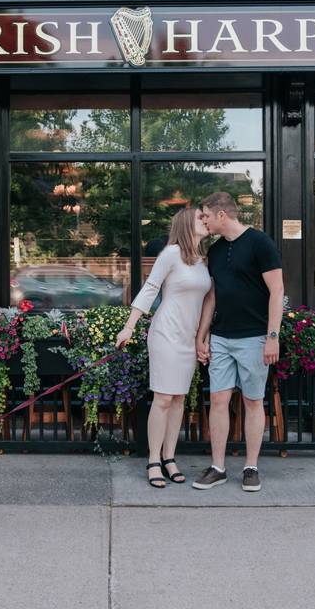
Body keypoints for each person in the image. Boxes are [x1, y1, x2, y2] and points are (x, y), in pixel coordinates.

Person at [193, 192, 283, 492]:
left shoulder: (261, 243)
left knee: (253, 401)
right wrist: (202, 335)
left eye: (206, 214)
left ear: (221, 215)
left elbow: (276, 291)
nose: (203, 220)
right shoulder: (216, 251)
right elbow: (212, 296)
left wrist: (272, 337)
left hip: (255, 338)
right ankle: (218, 467)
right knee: (218, 399)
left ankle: (250, 466)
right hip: (221, 337)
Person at [115, 208, 211, 488]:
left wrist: (201, 338)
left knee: (179, 399)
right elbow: (150, 288)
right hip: (166, 333)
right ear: (185, 224)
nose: (204, 221)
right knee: (163, 399)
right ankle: (154, 460)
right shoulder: (171, 253)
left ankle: (170, 457)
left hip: (187, 338)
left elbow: (206, 302)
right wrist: (129, 327)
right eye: (199, 218)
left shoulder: (202, 261)